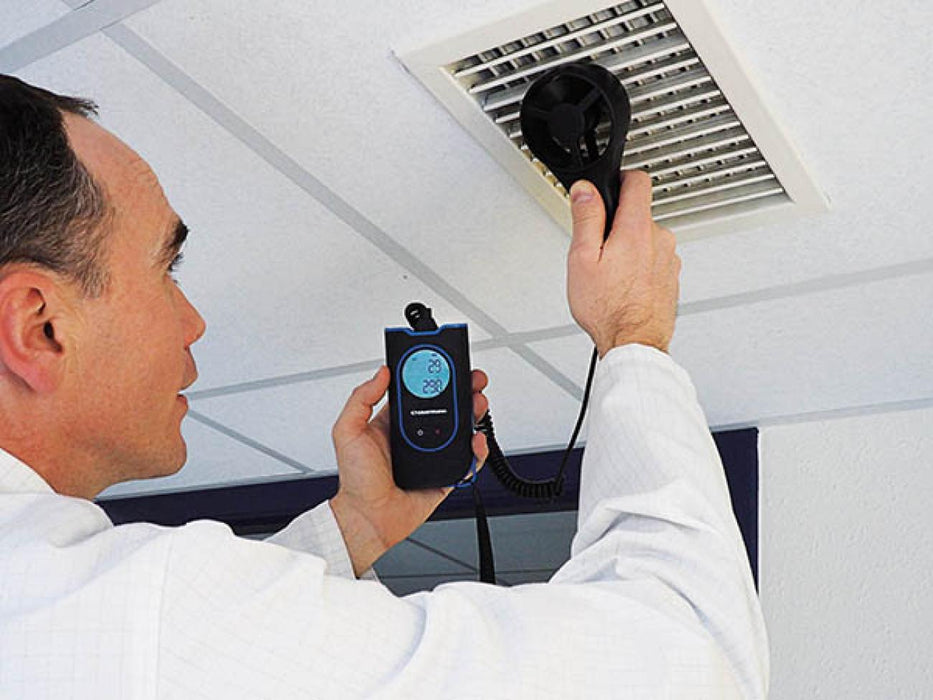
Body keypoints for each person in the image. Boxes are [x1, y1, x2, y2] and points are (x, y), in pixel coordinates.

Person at [0, 75, 768, 698]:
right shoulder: (140, 613)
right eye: (167, 269)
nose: (193, 321)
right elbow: (696, 662)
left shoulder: (80, 612)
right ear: (39, 325)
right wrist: (633, 336)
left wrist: (358, 525)